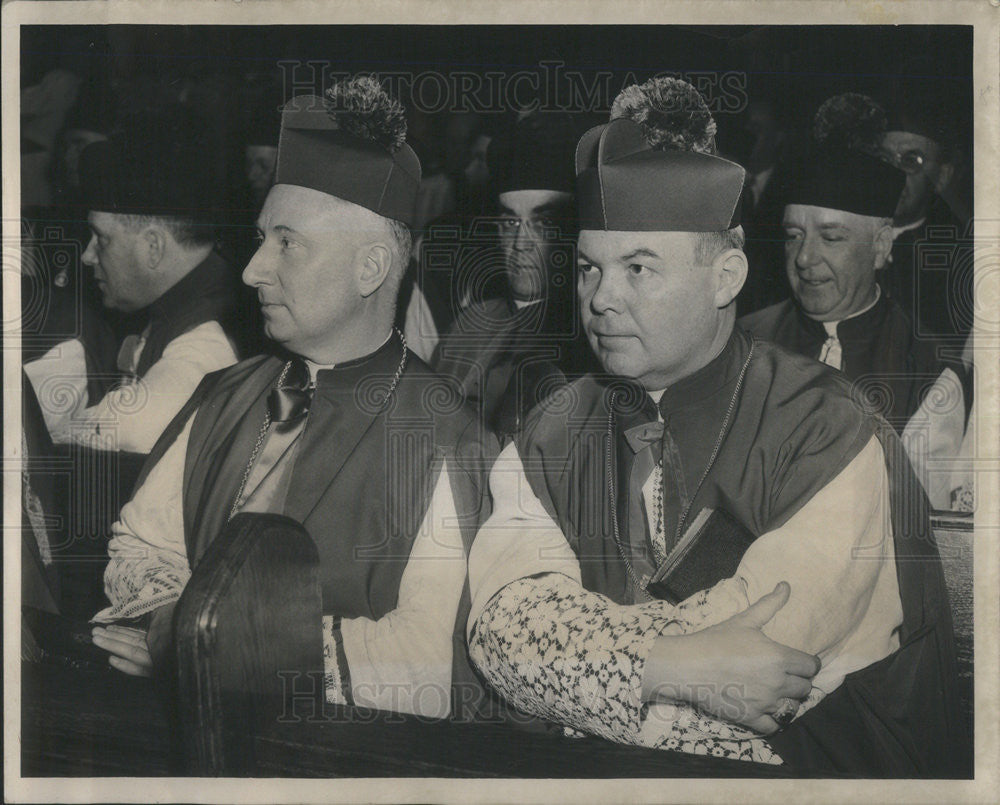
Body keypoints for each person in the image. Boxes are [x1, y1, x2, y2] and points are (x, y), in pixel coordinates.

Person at [466, 115, 964, 775]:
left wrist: (571, 673)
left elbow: (764, 670)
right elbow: (500, 633)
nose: (600, 298)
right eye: (589, 267)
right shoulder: (555, 425)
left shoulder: (831, 428)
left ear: (726, 276)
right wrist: (669, 664)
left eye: (638, 268)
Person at [90, 78, 495, 721]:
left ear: (369, 269)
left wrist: (198, 643)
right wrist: (187, 632)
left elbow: (424, 660)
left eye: (287, 243)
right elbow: (138, 549)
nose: (252, 269)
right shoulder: (228, 394)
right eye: (260, 238)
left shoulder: (449, 436)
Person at [739, 143, 972, 503]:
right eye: (793, 236)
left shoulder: (928, 372)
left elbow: (919, 527)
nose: (804, 257)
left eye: (831, 238)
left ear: (879, 247)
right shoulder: (742, 345)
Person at [24, 105, 242, 455]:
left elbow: (128, 434)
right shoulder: (183, 305)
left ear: (153, 247)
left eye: (102, 239)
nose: (87, 255)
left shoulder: (203, 344)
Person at [432, 111, 595, 442]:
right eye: (509, 223)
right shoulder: (469, 327)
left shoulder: (595, 335)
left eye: (542, 224)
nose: (521, 244)